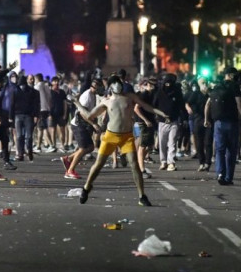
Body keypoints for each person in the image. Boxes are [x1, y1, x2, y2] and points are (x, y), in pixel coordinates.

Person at [70, 75, 167, 206]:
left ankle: (142, 196)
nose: (118, 85)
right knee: (98, 165)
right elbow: (89, 115)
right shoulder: (106, 101)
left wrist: (162, 113)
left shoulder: (130, 97)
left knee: (134, 165)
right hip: (110, 137)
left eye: (119, 82)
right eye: (114, 83)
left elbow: (146, 106)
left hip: (127, 137)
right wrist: (76, 103)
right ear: (110, 86)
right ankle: (86, 188)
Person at [204, 67, 241, 186]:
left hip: (218, 123)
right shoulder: (234, 86)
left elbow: (208, 104)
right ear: (230, 75)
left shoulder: (216, 86)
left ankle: (220, 173)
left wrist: (206, 119)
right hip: (231, 123)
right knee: (231, 150)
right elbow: (240, 104)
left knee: (220, 150)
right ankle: (228, 177)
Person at [62, 78, 102, 178]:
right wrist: (93, 124)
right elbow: (82, 113)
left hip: (84, 124)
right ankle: (70, 171)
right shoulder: (87, 96)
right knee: (83, 148)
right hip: (78, 124)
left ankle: (68, 159)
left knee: (90, 147)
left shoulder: (93, 95)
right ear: (95, 87)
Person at [154, 73, 183, 171]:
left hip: (174, 121)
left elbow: (181, 105)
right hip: (162, 121)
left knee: (172, 143)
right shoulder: (160, 92)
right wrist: (158, 116)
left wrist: (182, 118)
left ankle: (171, 162)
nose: (168, 84)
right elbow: (154, 105)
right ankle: (163, 161)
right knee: (162, 143)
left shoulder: (177, 92)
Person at [185, 78, 211, 171]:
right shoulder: (195, 94)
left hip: (209, 120)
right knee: (199, 143)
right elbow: (187, 102)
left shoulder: (210, 93)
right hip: (198, 119)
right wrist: (188, 108)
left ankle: (208, 162)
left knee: (208, 142)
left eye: (206, 82)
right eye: (202, 83)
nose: (204, 84)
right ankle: (201, 162)